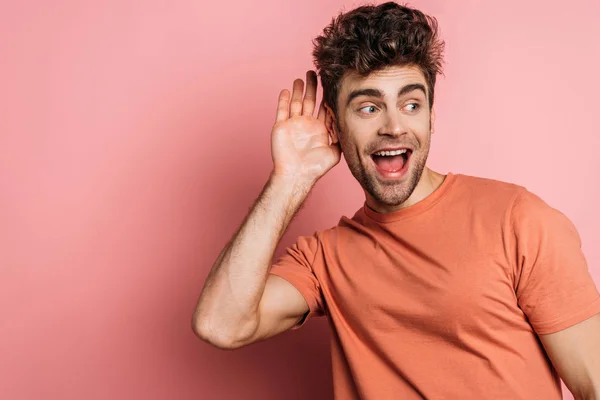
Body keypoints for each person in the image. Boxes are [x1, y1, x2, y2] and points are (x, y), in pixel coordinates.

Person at [191, 2, 600, 399]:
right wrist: (289, 181)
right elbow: (221, 325)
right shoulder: (324, 259)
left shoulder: (519, 220)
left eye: (411, 104)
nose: (393, 126)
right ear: (333, 124)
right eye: (369, 107)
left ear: (431, 116)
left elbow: (593, 383)